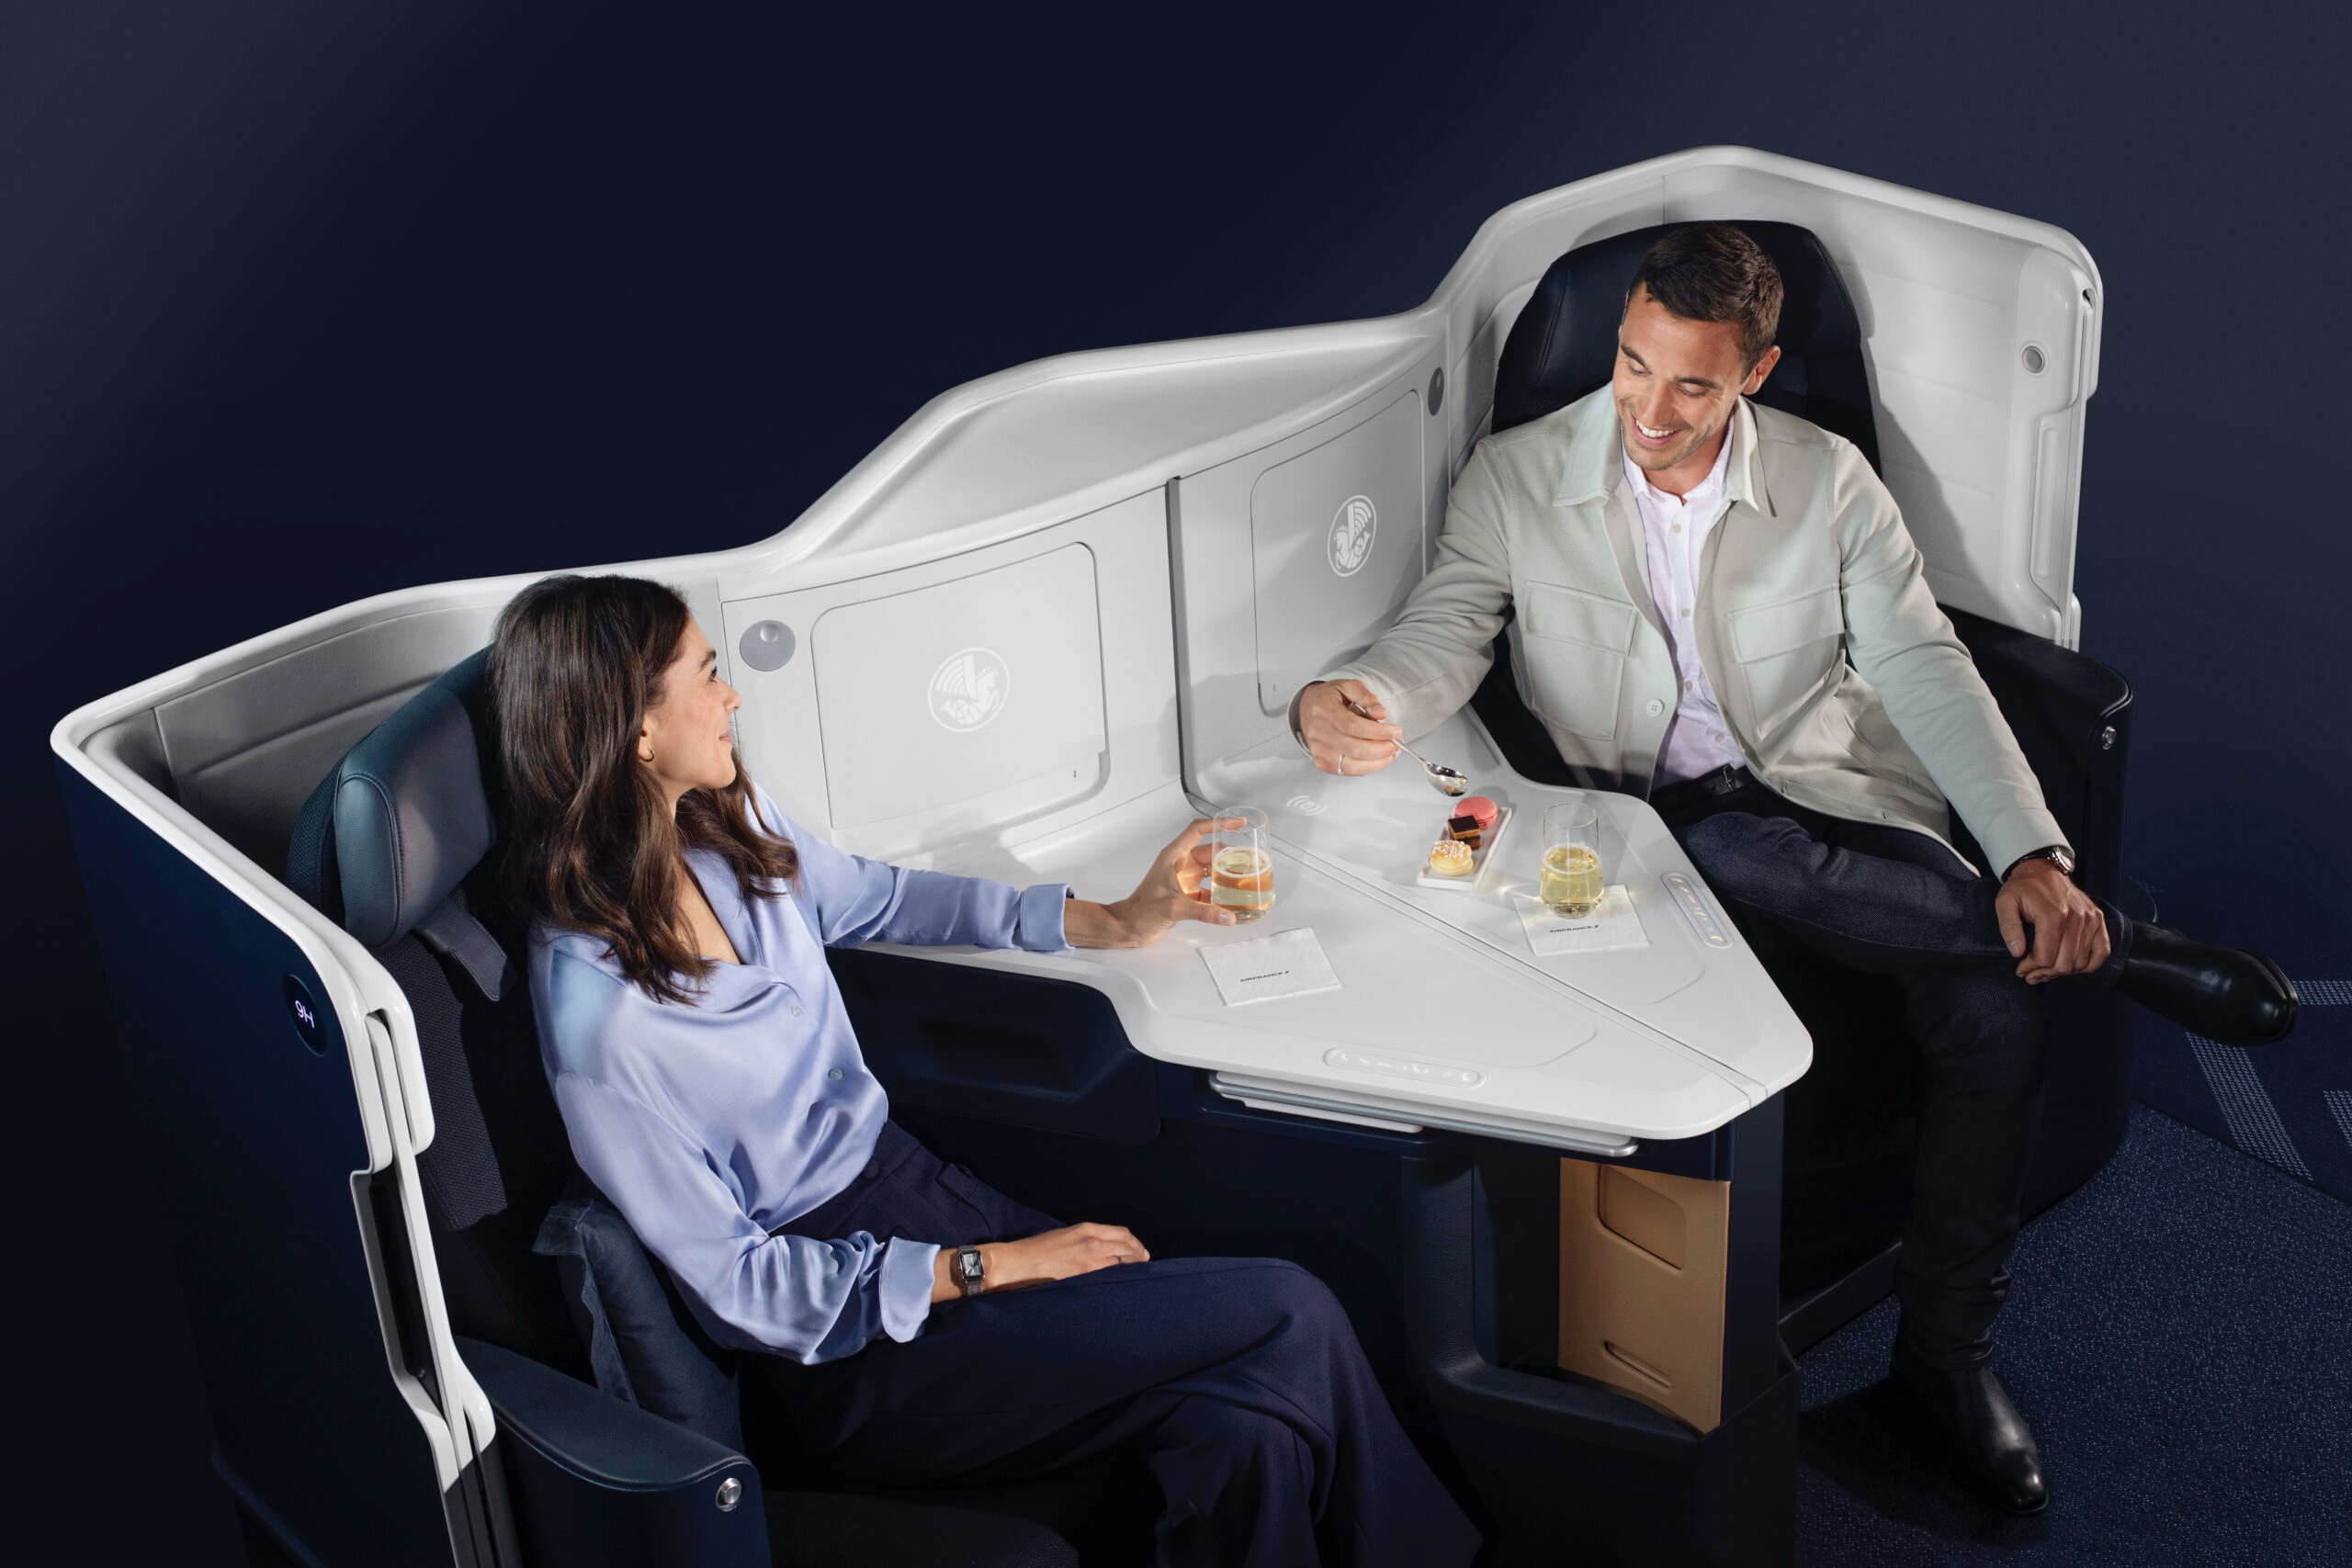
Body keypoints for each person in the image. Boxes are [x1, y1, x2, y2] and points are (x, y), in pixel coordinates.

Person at [1295, 223, 2297, 1516]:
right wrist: (1364, 688)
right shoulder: (1516, 472)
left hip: (1834, 793)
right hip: (1657, 826)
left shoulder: (1828, 484)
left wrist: (2032, 851)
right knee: (1725, 842)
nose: (1648, 410)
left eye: (1692, 384)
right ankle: (2133, 953)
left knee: (1992, 1011)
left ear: (1758, 371)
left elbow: (1926, 669)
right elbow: (1451, 626)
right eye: (1631, 365)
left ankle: (1943, 1360)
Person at [487, 573, 1478, 1568]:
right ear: (636, 732)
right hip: (865, 1353)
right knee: (1287, 1306)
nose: (733, 694)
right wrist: (992, 1266)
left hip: (924, 1192)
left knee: (1244, 1427)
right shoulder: (602, 1027)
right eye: (706, 674)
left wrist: (1107, 920)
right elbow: (742, 1288)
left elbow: (879, 899)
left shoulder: (718, 836)